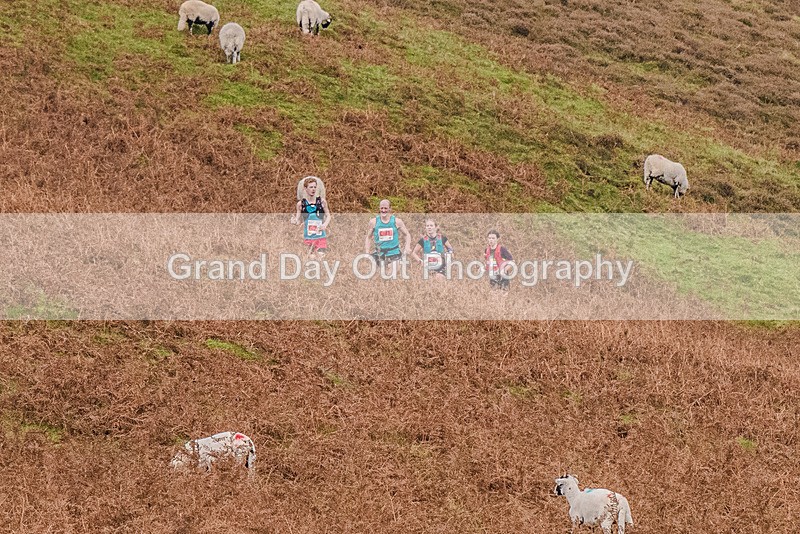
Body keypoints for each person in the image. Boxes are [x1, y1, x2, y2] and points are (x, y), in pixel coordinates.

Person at [364, 199, 412, 273]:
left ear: (390, 209)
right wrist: (367, 252)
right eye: (381, 208)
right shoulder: (373, 222)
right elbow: (368, 237)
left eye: (385, 208)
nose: (383, 210)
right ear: (379, 208)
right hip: (379, 253)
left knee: (391, 274)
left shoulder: (397, 221)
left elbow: (407, 234)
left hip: (394, 252)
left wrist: (407, 246)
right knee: (373, 275)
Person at [290, 176, 331, 258]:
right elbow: (298, 221)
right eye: (311, 187)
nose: (313, 189)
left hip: (320, 237)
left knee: (320, 258)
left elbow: (328, 215)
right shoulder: (300, 204)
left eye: (315, 187)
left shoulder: (322, 202)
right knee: (311, 259)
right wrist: (294, 221)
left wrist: (325, 225)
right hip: (308, 237)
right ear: (305, 188)